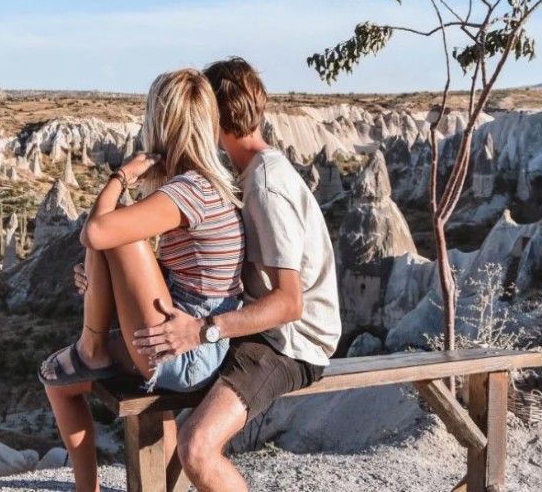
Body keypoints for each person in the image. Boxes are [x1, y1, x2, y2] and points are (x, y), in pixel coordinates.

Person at [129, 56, 341, 492]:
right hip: (261, 327)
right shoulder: (251, 174)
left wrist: (203, 331)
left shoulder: (265, 186)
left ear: (213, 119)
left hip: (292, 343)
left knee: (197, 448)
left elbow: (289, 303)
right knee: (160, 390)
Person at [39, 67, 246, 492]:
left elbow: (95, 231)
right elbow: (168, 269)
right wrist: (101, 281)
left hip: (188, 351)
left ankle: (91, 347)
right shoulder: (204, 187)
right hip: (188, 335)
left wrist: (123, 175)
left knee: (112, 229)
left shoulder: (188, 191)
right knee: (57, 380)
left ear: (160, 124)